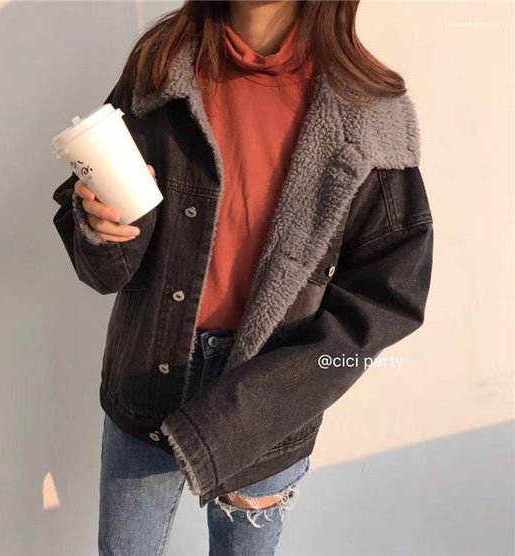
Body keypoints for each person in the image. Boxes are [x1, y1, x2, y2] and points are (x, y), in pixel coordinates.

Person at [51, 1, 434, 554]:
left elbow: (389, 297)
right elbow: (102, 263)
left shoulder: (372, 110)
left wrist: (275, 397)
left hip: (270, 397)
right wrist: (100, 229)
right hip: (147, 376)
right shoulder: (161, 67)